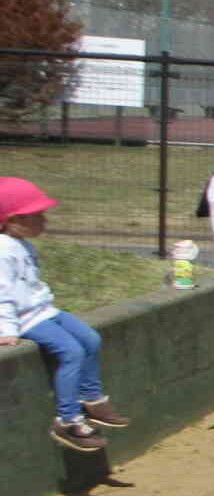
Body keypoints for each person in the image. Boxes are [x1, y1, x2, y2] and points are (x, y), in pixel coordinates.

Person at [0, 177, 131, 452]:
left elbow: (31, 283)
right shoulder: (3, 251)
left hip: (44, 310)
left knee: (91, 339)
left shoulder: (22, 244)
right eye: (37, 215)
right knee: (71, 351)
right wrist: (7, 329)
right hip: (26, 319)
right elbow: (3, 293)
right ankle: (67, 420)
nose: (44, 220)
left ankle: (92, 400)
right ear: (11, 220)